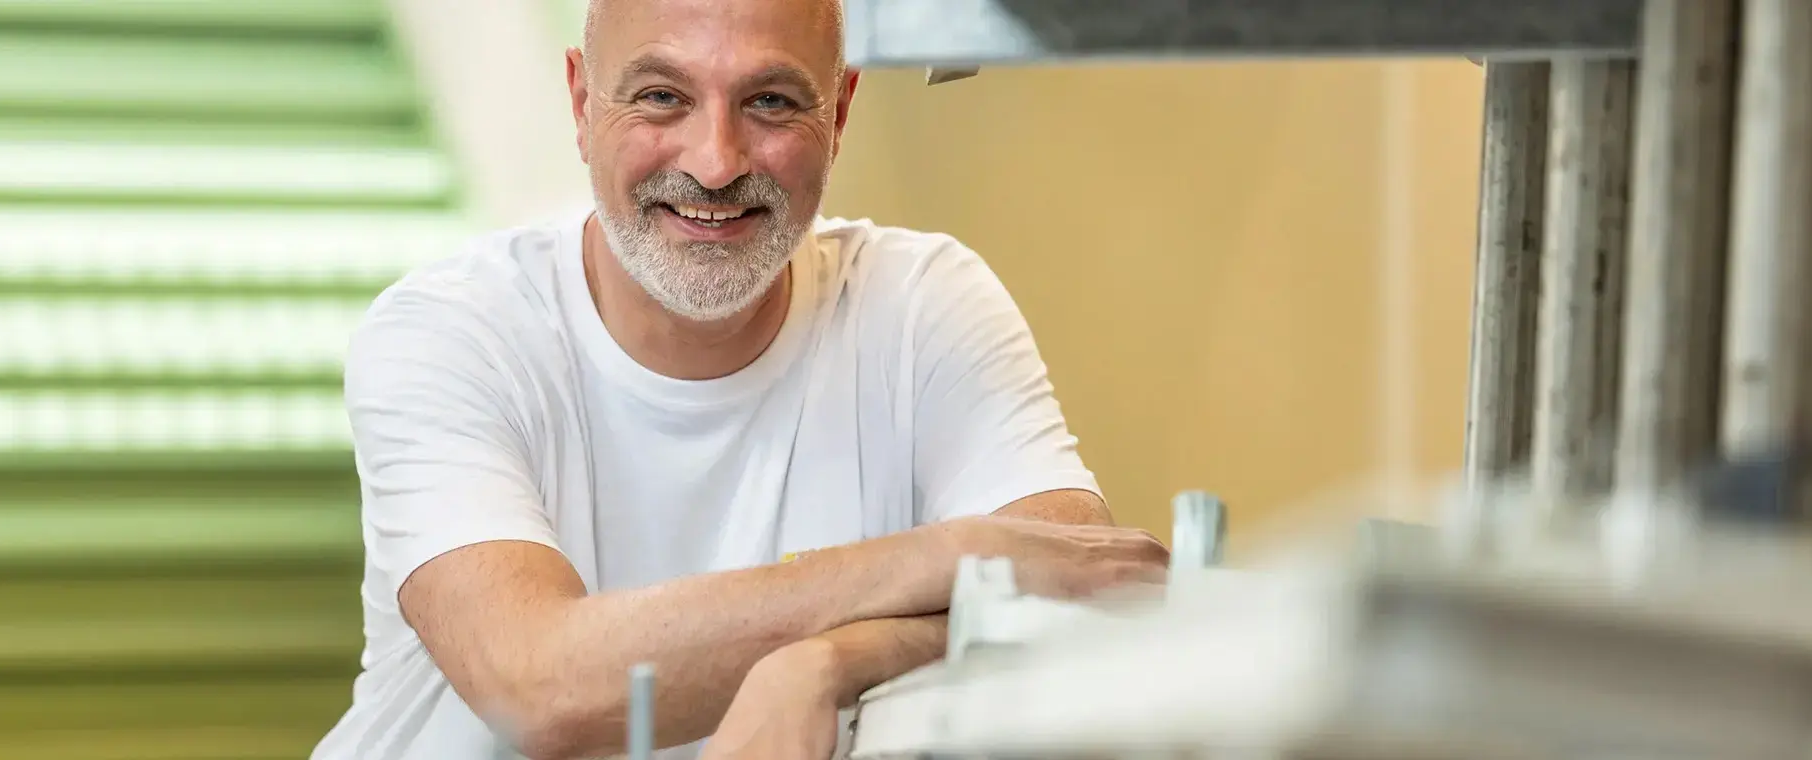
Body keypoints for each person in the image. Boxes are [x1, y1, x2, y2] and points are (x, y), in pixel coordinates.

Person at [311, 0, 1170, 758]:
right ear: (580, 104)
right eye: (660, 97)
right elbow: (542, 691)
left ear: (839, 113)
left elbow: (1077, 589)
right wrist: (957, 553)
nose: (716, 162)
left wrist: (826, 663)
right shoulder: (451, 331)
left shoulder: (921, 304)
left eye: (770, 101)